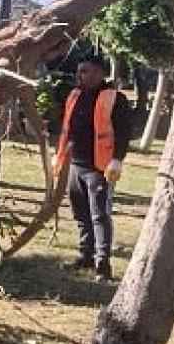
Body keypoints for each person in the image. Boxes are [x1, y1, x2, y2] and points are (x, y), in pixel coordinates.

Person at [55, 56, 131, 282]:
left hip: (99, 167)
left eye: (85, 71)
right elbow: (67, 128)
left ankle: (102, 264)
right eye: (79, 71)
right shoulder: (75, 95)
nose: (80, 75)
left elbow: (124, 132)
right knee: (81, 214)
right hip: (75, 165)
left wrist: (117, 159)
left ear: (99, 73)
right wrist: (60, 157)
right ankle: (85, 255)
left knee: (99, 216)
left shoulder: (115, 99)